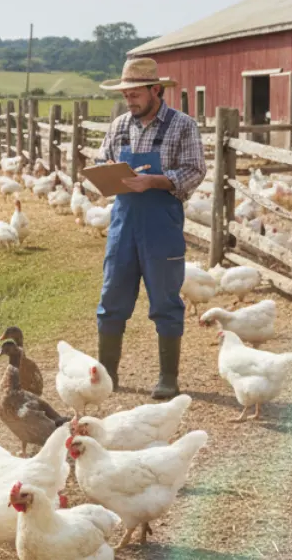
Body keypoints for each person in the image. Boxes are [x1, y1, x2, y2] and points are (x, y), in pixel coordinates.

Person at [95, 58, 205, 399]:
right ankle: (108, 375)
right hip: (123, 223)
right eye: (125, 95)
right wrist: (107, 171)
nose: (129, 100)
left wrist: (155, 181)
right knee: (112, 299)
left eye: (135, 94)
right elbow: (101, 161)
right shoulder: (118, 126)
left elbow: (195, 170)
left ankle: (168, 379)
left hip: (161, 224)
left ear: (156, 90)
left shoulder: (182, 126)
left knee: (165, 302)